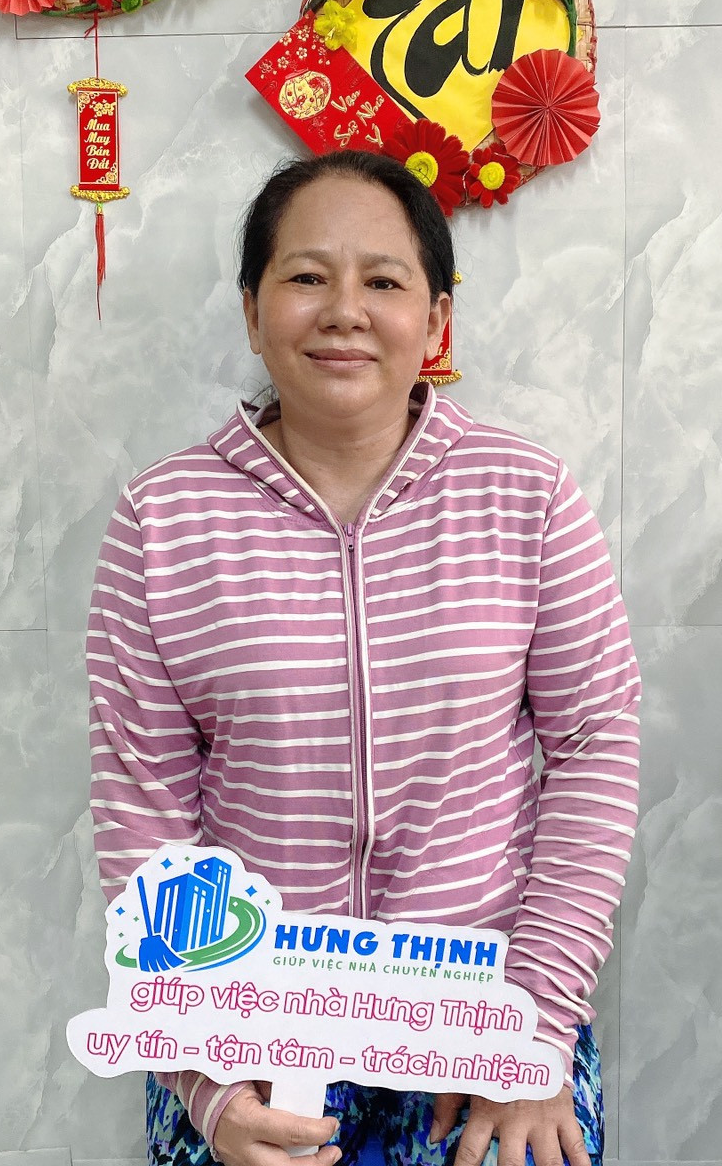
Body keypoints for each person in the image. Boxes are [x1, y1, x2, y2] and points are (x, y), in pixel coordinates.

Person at [87, 150, 641, 1166]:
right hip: (249, 1039)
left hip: (490, 1032)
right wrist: (205, 1078)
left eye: (383, 280)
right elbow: (143, 807)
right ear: (252, 311)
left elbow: (594, 748)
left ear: (436, 319)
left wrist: (532, 1025)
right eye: (307, 276)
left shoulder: (527, 496)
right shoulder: (162, 518)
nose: (344, 310)